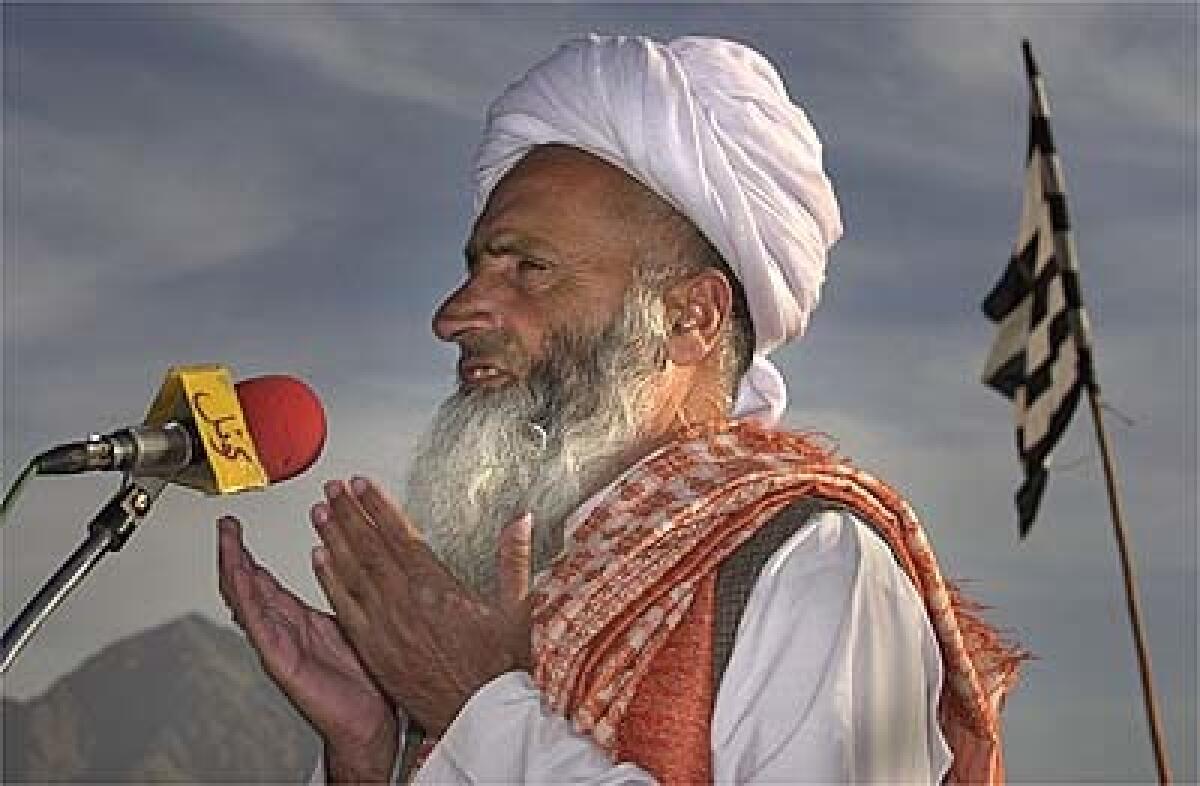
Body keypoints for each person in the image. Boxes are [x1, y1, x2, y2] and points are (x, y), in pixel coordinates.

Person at [218, 35, 1023, 784]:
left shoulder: (809, 561)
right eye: (474, 268)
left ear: (691, 318)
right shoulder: (521, 571)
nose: (454, 314)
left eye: (528, 268)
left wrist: (481, 711)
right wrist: (374, 755)